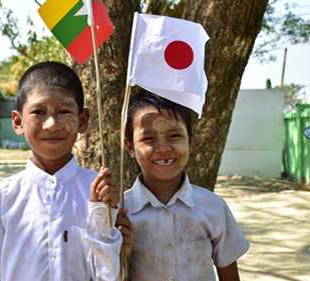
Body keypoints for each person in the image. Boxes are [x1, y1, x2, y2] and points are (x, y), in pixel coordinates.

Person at [0, 61, 121, 281]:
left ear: (83, 120)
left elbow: (107, 274)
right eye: (38, 112)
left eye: (63, 111)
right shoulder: (3, 196)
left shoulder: (98, 193)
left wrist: (101, 214)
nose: (52, 124)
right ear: (17, 121)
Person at [91, 88, 249, 281]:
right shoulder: (121, 213)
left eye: (174, 135)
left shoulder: (213, 207)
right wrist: (121, 252)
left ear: (190, 139)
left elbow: (230, 275)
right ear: (130, 147)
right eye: (148, 138)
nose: (163, 148)